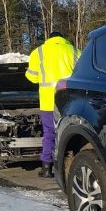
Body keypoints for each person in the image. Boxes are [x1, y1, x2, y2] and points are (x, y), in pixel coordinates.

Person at [25, 32, 80, 178]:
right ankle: (72, 166)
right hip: (70, 102)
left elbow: (32, 77)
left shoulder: (39, 52)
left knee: (49, 133)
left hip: (49, 101)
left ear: (48, 39)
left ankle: (47, 168)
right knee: (72, 132)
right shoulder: (74, 51)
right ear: (63, 38)